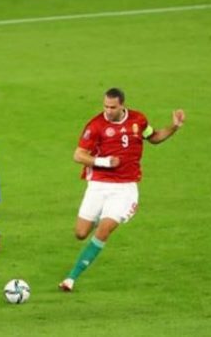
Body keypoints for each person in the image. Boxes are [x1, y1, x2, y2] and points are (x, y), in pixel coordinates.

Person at [59, 88, 185, 291]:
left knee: (104, 230)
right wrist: (104, 162)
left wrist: (174, 127)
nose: (108, 111)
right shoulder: (96, 125)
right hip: (98, 185)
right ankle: (102, 216)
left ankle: (71, 278)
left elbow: (153, 137)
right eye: (105, 106)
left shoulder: (138, 120)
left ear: (122, 105)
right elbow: (78, 155)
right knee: (81, 233)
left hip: (125, 189)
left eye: (112, 107)